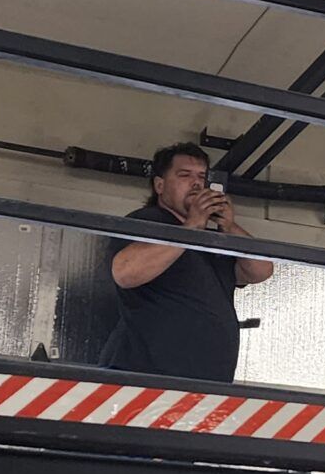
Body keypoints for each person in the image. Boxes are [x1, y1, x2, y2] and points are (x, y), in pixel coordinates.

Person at [99, 142, 275, 382]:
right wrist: (191, 226)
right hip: (147, 379)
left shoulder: (211, 239)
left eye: (201, 177)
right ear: (159, 185)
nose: (196, 184)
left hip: (205, 383)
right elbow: (125, 273)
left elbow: (261, 270)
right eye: (185, 176)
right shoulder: (148, 221)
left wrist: (229, 226)